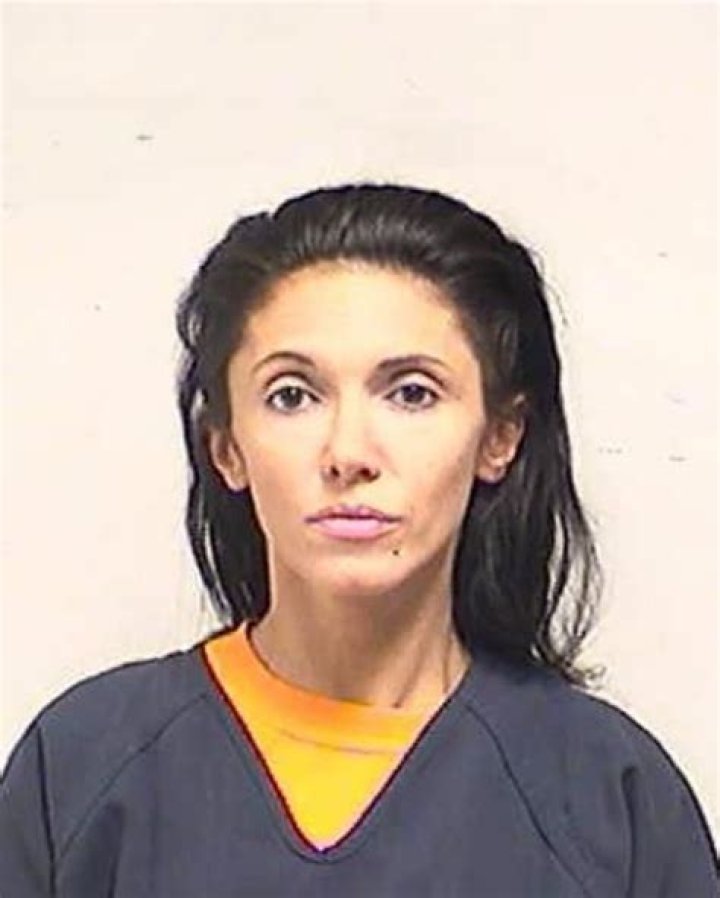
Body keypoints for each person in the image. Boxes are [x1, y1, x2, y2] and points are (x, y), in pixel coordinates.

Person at [1, 183, 717, 897]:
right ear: (226, 447)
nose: (348, 453)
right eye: (292, 395)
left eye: (412, 393)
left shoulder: (609, 800)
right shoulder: (80, 769)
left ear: (499, 437)